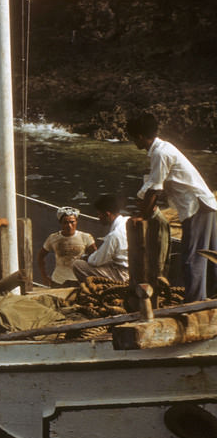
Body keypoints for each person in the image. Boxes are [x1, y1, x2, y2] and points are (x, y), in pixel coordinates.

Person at [127, 113, 216, 301]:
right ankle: (209, 297)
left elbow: (155, 189)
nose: (133, 142)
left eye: (133, 138)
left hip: (196, 206)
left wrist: (141, 216)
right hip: (205, 204)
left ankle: (194, 303)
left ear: (140, 136)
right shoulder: (163, 149)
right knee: (211, 255)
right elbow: (152, 185)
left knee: (194, 257)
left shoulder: (160, 153)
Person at [72, 195, 129, 284]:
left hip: (123, 275)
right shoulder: (127, 221)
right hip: (133, 268)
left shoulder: (114, 235)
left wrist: (86, 258)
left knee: (77, 265)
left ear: (107, 214)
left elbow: (96, 262)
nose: (99, 218)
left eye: (99, 214)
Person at [37, 206, 97, 287]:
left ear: (76, 221)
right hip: (58, 281)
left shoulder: (86, 237)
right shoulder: (53, 238)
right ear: (60, 223)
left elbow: (96, 258)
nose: (69, 225)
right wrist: (44, 277)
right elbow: (40, 256)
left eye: (72, 222)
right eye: (65, 222)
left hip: (79, 281)